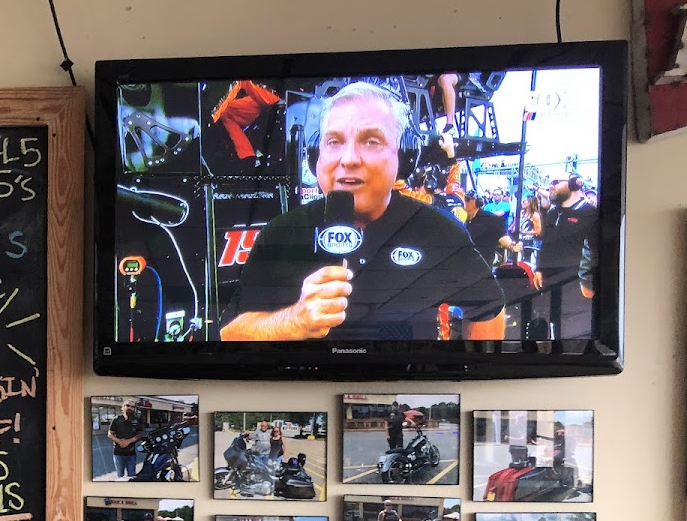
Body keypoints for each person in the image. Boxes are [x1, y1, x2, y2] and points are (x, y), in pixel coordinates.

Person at [221, 81, 504, 342]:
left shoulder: (438, 232)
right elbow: (230, 333)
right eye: (334, 141)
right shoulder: (280, 233)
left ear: (403, 157)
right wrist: (294, 320)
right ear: (315, 155)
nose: (349, 159)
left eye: (371, 141)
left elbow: (488, 308)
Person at [535, 173, 598, 339]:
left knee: (574, 334)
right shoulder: (552, 213)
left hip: (575, 286)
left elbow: (596, 251)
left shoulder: (590, 213)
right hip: (550, 282)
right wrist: (539, 268)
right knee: (553, 328)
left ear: (574, 183)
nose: (551, 186)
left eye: (556, 182)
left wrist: (588, 283)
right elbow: (546, 244)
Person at [463, 192, 516, 265]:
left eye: (467, 200)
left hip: (482, 262)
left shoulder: (491, 219)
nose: (465, 202)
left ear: (476, 202)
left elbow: (502, 236)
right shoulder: (464, 218)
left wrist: (511, 245)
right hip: (466, 260)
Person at [106, 399, 144, 480]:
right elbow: (110, 434)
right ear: (122, 407)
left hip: (131, 454)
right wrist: (119, 441)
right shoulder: (116, 419)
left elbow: (140, 435)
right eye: (128, 405)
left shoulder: (137, 420)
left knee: (132, 477)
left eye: (132, 406)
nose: (130, 408)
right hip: (118, 454)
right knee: (120, 478)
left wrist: (128, 441)